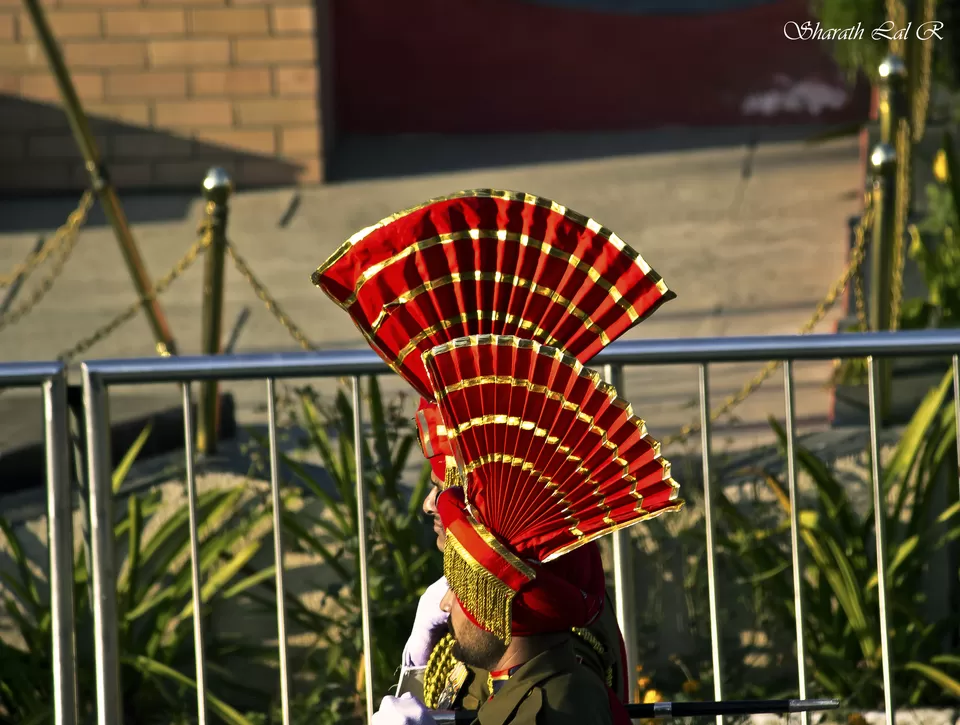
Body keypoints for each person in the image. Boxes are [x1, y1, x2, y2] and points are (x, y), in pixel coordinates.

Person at [313, 189, 681, 724]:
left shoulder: (556, 651)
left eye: (449, 491)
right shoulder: (479, 633)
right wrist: (416, 671)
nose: (432, 508)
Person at [401, 407, 628, 708]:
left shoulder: (548, 608)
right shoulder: (485, 586)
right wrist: (417, 659)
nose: (430, 504)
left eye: (444, 489)